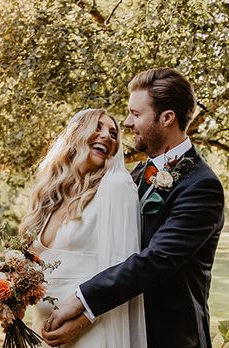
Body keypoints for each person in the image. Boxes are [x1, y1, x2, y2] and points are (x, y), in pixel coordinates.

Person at [42, 67, 225, 348]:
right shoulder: (133, 176)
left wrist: (82, 301)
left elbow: (156, 261)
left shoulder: (202, 186)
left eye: (136, 114)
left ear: (166, 118)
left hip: (166, 337)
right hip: (119, 330)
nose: (127, 122)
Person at [20, 108, 147, 348]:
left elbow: (122, 269)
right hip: (43, 332)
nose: (107, 136)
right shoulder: (52, 197)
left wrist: (81, 322)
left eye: (113, 133)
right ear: (76, 134)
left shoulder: (116, 186)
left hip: (89, 332)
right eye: (97, 127)